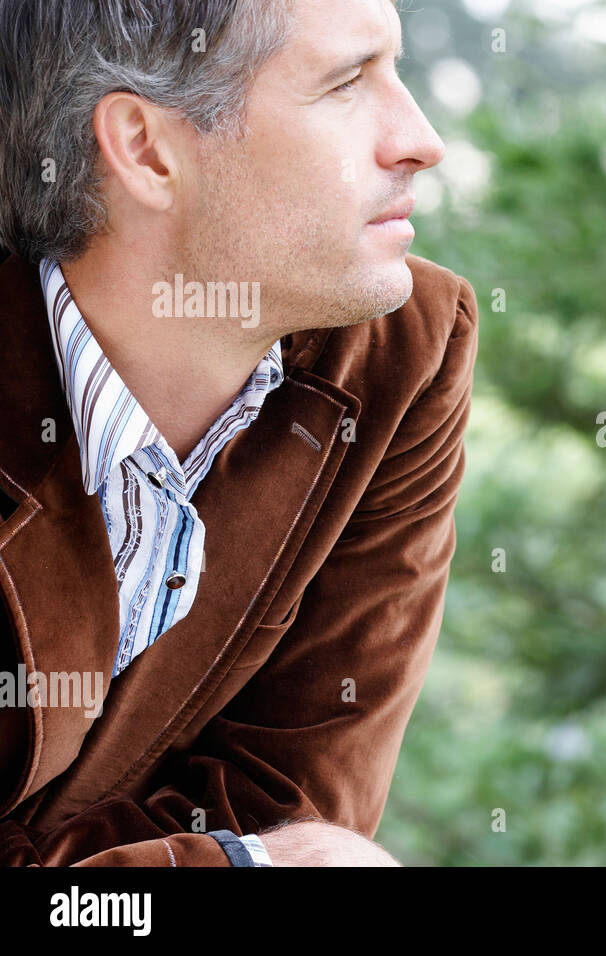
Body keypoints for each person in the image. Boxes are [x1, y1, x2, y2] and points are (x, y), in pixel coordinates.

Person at [0, 0, 477, 865]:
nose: (420, 138)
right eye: (346, 82)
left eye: (396, 69)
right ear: (146, 148)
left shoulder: (404, 354)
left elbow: (296, 803)